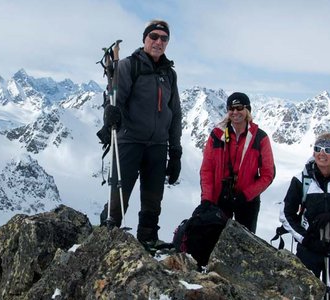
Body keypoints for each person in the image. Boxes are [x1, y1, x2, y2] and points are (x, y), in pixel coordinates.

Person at [99, 19, 182, 248]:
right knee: (119, 197)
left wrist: (175, 150)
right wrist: (111, 115)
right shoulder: (128, 66)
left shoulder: (169, 74)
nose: (158, 42)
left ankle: (148, 239)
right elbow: (116, 100)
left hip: (157, 144)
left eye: (163, 38)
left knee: (153, 198)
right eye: (153, 37)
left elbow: (174, 113)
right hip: (130, 141)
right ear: (144, 39)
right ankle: (105, 239)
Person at [199, 92, 275, 233]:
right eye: (231, 108)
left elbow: (268, 174)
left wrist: (246, 195)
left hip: (247, 201)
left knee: (245, 244)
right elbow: (207, 170)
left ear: (247, 110)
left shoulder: (260, 138)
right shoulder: (216, 136)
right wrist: (207, 200)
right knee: (214, 240)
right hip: (220, 198)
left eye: (239, 108)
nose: (235, 112)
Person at [280, 133, 330, 280]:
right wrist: (305, 239)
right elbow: (285, 214)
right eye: (318, 148)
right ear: (313, 152)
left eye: (328, 149)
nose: (322, 153)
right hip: (309, 249)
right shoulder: (302, 180)